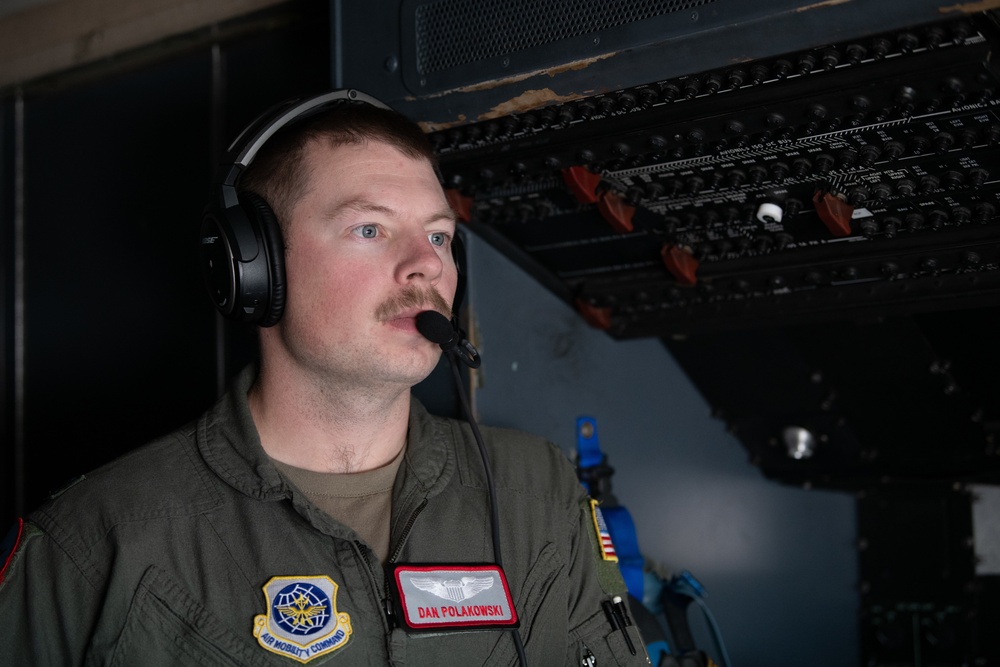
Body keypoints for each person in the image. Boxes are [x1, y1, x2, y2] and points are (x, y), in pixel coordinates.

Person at [0, 90, 648, 666]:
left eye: (441, 237)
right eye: (370, 228)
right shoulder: (94, 543)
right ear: (253, 268)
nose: (425, 266)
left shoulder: (540, 490)